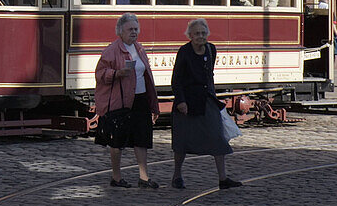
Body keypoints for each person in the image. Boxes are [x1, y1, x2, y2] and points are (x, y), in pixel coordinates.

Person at [170, 18, 241, 190]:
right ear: (190, 36)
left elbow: (209, 75)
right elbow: (176, 80)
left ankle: (222, 178)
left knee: (218, 138)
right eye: (196, 34)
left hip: (207, 100)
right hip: (187, 102)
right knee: (182, 142)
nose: (200, 37)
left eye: (203, 33)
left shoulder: (211, 49)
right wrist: (181, 101)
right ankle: (177, 175)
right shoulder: (184, 52)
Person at [94, 12, 159, 188]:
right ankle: (116, 177)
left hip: (140, 99)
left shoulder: (139, 48)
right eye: (130, 29)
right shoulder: (111, 50)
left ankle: (144, 178)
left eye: (136, 29)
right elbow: (100, 74)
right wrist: (117, 74)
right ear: (120, 31)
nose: (134, 32)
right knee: (117, 141)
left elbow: (147, 76)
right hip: (120, 101)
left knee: (142, 138)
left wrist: (153, 103)